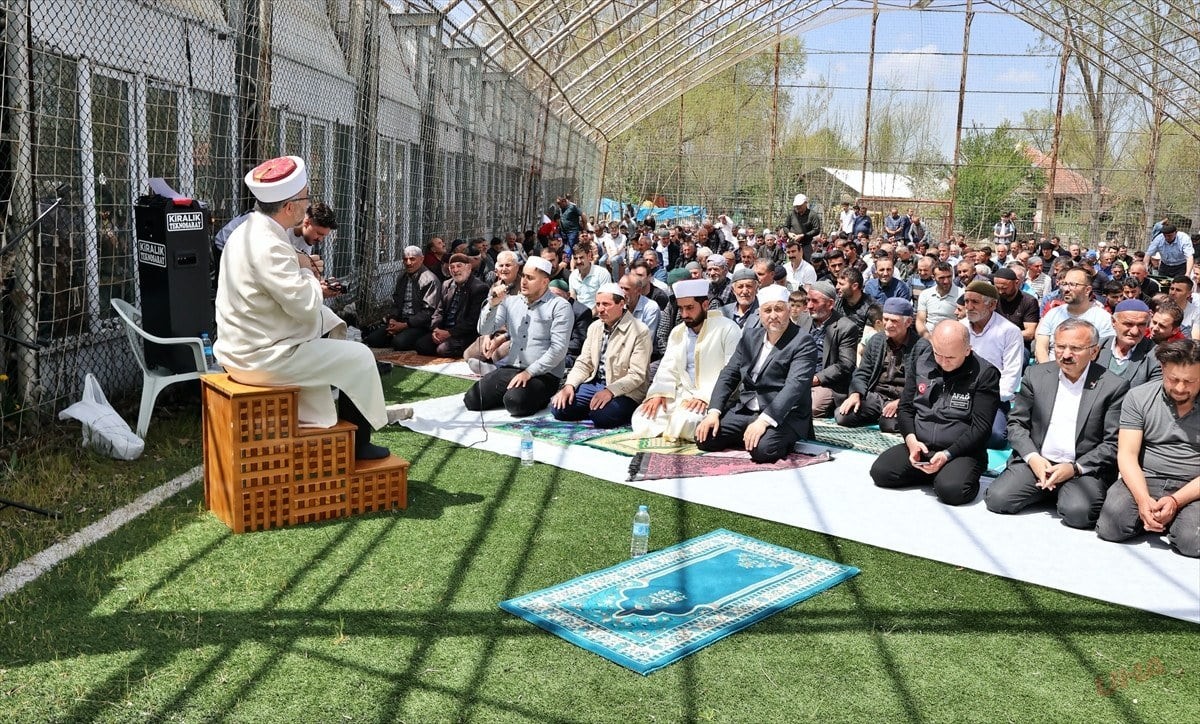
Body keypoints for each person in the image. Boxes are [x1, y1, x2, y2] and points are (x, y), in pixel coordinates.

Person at [214, 155, 392, 460]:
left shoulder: (247, 231)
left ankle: (333, 425)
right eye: (305, 197)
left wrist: (301, 263)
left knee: (335, 338)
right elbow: (306, 307)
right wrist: (310, 273)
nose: (308, 203)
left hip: (242, 347)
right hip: (263, 358)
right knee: (360, 357)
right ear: (289, 207)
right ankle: (360, 446)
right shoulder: (270, 244)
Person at [985, 320, 1130, 528]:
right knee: (997, 499)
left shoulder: (1113, 386)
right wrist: (1032, 457)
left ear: (1094, 351)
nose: (1066, 354)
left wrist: (1074, 469)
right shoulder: (1035, 375)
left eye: (1076, 348)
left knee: (1079, 514)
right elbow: (1016, 423)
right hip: (1038, 462)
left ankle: (1060, 492)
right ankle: (1047, 489)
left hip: (1082, 468)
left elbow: (1113, 443)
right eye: (1060, 347)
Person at [869, 320, 1001, 506]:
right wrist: (911, 440)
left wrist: (948, 454)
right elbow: (906, 407)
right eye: (938, 354)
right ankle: (933, 473)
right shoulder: (922, 361)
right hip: (921, 446)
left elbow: (981, 427)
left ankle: (946, 474)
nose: (944, 362)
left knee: (953, 492)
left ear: (967, 350)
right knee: (881, 472)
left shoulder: (985, 373)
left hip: (961, 451)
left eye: (951, 358)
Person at [1096, 339, 1200, 558]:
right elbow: (1127, 453)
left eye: (1190, 381)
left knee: (1193, 543)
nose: (1181, 388)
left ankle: (1175, 519)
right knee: (1111, 527)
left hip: (1194, 485)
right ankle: (1158, 516)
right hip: (1145, 477)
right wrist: (1143, 500)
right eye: (1174, 379)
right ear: (1162, 369)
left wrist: (1175, 501)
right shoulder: (1139, 396)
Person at [695, 285, 817, 462]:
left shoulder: (803, 341)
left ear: (789, 310)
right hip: (747, 409)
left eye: (779, 309)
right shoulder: (750, 337)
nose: (773, 315)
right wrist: (714, 412)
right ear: (760, 313)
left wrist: (763, 421)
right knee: (704, 437)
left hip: (784, 415)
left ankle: (778, 438)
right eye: (767, 310)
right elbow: (729, 374)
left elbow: (794, 387)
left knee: (762, 451)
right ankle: (748, 434)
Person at [633, 279, 742, 441]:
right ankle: (672, 424)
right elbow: (667, 367)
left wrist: (705, 396)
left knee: (688, 421)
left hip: (712, 396)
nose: (684, 315)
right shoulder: (678, 332)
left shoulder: (728, 328)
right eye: (681, 308)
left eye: (690, 308)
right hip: (681, 394)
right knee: (643, 416)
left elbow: (732, 371)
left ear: (705, 305)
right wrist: (658, 393)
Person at [463, 257, 573, 416]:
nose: (524, 282)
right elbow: (484, 329)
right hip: (512, 368)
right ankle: (511, 392)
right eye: (524, 276)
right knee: (472, 400)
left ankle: (534, 396)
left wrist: (529, 372)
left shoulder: (560, 306)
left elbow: (558, 350)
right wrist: (492, 305)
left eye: (530, 278)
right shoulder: (511, 302)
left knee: (515, 402)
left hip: (544, 374)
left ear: (544, 282)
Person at [550, 283, 651, 428]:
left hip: (625, 390)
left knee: (603, 416)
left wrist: (610, 391)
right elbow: (584, 362)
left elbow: (637, 374)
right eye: (598, 304)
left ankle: (599, 409)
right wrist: (569, 385)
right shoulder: (595, 327)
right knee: (559, 408)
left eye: (606, 304)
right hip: (595, 384)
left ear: (621, 304)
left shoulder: (639, 330)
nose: (601, 309)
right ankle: (593, 407)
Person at [835, 297, 920, 433]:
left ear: (908, 322)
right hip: (876, 397)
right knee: (843, 416)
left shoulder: (921, 346)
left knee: (889, 424)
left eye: (894, 321)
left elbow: (922, 384)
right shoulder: (876, 340)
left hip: (902, 399)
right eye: (886, 319)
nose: (888, 325)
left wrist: (901, 402)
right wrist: (855, 394)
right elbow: (863, 372)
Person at [960, 281, 1025, 448]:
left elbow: (1011, 374)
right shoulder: (960, 328)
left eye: (975, 302)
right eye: (966, 301)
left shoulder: (1009, 331)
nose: (969, 307)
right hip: (960, 393)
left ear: (992, 305)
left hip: (992, 396)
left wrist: (986, 399)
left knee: (996, 436)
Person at [801, 280, 861, 417]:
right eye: (808, 300)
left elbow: (845, 365)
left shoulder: (846, 327)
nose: (809, 306)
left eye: (815, 301)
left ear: (830, 304)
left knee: (809, 407)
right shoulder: (803, 319)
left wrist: (815, 379)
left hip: (826, 382)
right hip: (800, 375)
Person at [364, 245, 442, 351]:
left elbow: (428, 312)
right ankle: (398, 334)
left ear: (421, 259)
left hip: (419, 325)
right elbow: (396, 303)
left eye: (412, 259)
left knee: (399, 343)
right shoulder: (402, 277)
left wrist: (405, 325)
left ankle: (405, 337)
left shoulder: (430, 280)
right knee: (372, 340)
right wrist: (392, 320)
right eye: (405, 259)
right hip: (400, 321)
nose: (408, 263)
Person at [414, 253, 489, 358]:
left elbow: (472, 321)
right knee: (421, 345)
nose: (455, 270)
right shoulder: (446, 284)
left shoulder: (479, 288)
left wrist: (449, 333)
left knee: (442, 349)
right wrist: (436, 329)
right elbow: (439, 311)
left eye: (459, 266)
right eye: (452, 267)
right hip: (445, 329)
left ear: (469, 267)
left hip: (464, 333)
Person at [1035, 267, 1115, 362]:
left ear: (1087, 290)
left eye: (1073, 285)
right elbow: (1041, 348)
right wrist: (1048, 372)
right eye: (1064, 284)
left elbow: (1104, 354)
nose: (1066, 289)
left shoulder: (1103, 318)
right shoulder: (1053, 314)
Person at [1095, 299, 1162, 386]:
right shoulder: (1097, 347)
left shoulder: (1156, 355)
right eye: (1129, 324)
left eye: (1141, 324)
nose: (1135, 331)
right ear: (1113, 322)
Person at [916, 262, 962, 338]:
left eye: (949, 277)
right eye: (942, 278)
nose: (946, 281)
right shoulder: (925, 294)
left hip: (952, 337)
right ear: (933, 277)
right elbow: (920, 321)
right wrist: (928, 339)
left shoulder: (961, 294)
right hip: (928, 337)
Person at [780, 193, 821, 259]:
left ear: (805, 203)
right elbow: (785, 226)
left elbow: (816, 230)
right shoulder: (792, 214)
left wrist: (804, 235)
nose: (798, 207)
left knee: (807, 264)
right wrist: (789, 233)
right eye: (796, 206)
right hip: (792, 244)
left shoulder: (813, 215)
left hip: (806, 245)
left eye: (800, 205)